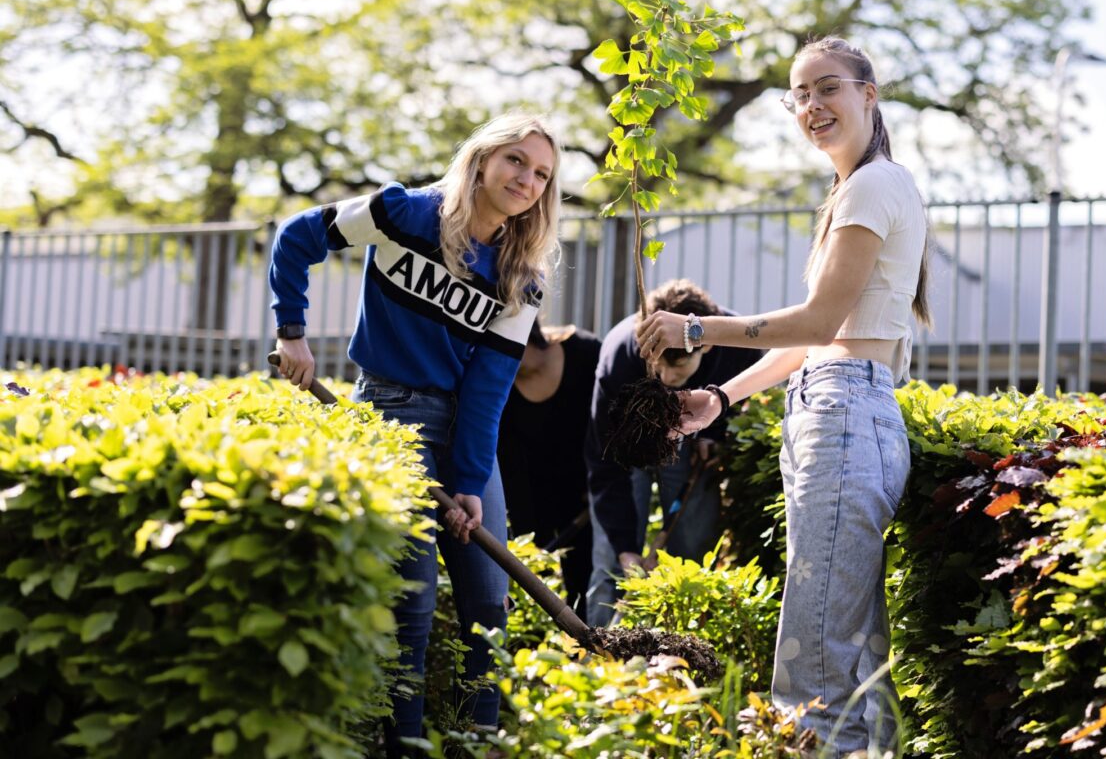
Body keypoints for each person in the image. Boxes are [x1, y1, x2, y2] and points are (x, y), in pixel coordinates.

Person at [636, 37, 929, 755]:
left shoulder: (870, 186)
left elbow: (819, 324)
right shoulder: (860, 189)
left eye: (827, 88)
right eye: (798, 95)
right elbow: (824, 339)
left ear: (869, 93)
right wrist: (723, 397)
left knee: (814, 667)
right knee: (852, 655)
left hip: (845, 415)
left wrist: (696, 326)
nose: (811, 107)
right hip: (846, 405)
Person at [269, 113, 563, 753]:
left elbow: (487, 388)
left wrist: (466, 483)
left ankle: (478, 737)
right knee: (415, 604)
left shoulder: (522, 276)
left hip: (465, 431)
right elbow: (296, 238)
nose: (527, 180)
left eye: (542, 173)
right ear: (482, 159)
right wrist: (292, 331)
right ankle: (401, 743)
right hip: (389, 413)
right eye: (516, 161)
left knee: (488, 598)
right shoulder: (402, 212)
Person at [585, 279, 762, 626]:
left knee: (690, 554)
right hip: (628, 444)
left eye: (677, 369)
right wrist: (625, 547)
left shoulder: (737, 346)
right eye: (658, 368)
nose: (665, 378)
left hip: (694, 442)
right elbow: (604, 462)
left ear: (706, 346)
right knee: (611, 564)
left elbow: (745, 399)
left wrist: (717, 435)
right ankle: (599, 655)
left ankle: (681, 649)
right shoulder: (620, 358)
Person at [496, 320, 601, 620]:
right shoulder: (501, 386)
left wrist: (600, 486)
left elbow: (610, 425)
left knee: (584, 580)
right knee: (534, 591)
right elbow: (510, 465)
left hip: (586, 493)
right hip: (534, 495)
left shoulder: (585, 352)